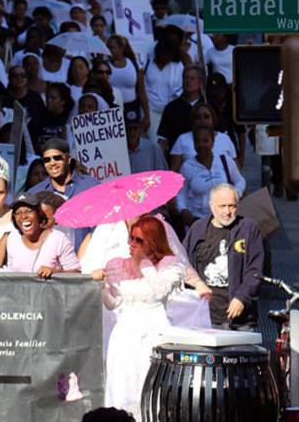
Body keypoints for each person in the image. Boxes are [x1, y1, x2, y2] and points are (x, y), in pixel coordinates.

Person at [102, 215, 185, 417]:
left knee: (149, 385)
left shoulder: (169, 264)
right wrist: (102, 287)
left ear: (153, 241)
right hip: (125, 331)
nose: (132, 244)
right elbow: (113, 303)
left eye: (139, 240)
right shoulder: (119, 264)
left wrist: (143, 263)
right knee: (122, 386)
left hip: (153, 331)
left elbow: (159, 290)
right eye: (131, 238)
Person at [183, 184, 263, 330]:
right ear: (211, 206)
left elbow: (255, 270)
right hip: (204, 315)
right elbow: (183, 263)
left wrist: (242, 298)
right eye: (222, 206)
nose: (227, 212)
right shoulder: (198, 229)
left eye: (232, 206)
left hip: (239, 318)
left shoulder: (248, 229)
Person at [0, 193, 81, 277]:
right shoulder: (12, 238)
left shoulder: (58, 239)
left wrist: (54, 273)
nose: (23, 216)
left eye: (29, 211)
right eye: (18, 213)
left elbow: (76, 273)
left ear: (39, 214)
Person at [178, 127, 246, 225]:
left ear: (213, 142)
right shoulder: (187, 167)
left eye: (205, 141)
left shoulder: (225, 161)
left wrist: (235, 194)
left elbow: (240, 180)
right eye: (197, 141)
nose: (201, 145)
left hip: (225, 220)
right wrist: (183, 209)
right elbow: (181, 194)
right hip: (198, 221)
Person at [168, 102, 238, 173]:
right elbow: (174, 171)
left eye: (206, 117)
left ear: (213, 119)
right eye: (198, 117)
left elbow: (235, 170)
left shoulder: (225, 139)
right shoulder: (182, 139)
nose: (202, 120)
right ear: (193, 121)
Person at [157, 65, 204, 157]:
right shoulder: (171, 108)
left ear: (200, 82)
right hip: (178, 157)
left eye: (192, 78)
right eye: (186, 78)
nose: (188, 81)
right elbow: (163, 140)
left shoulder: (208, 106)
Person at [144, 38, 184, 142]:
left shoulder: (177, 66)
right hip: (151, 110)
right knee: (155, 143)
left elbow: (181, 87)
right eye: (165, 54)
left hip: (170, 112)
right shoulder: (147, 62)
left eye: (170, 55)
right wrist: (146, 115)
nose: (167, 58)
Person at [106, 35, 149, 125]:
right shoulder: (103, 66)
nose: (108, 50)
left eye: (112, 47)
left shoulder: (135, 64)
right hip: (110, 109)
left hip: (131, 108)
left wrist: (147, 115)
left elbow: (141, 91)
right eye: (107, 47)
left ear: (121, 48)